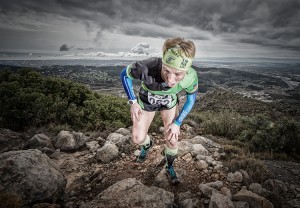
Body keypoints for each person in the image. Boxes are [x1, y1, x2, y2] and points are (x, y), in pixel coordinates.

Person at [120, 37, 198, 185]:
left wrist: (177, 122)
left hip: (169, 104)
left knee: (172, 139)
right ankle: (148, 145)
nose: (170, 80)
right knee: (137, 138)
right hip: (147, 101)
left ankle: (169, 166)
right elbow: (124, 74)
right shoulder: (147, 66)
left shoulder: (191, 76)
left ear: (186, 72)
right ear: (162, 63)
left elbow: (191, 100)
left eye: (178, 74)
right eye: (166, 70)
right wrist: (133, 102)